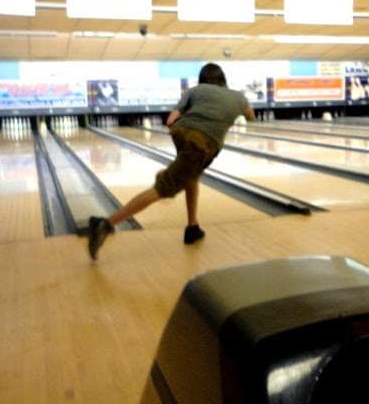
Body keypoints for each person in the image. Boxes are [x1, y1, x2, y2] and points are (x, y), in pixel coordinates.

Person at [87, 62, 255, 260]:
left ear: (202, 79)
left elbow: (170, 120)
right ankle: (105, 224)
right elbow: (251, 117)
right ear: (223, 80)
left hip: (181, 132)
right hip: (202, 143)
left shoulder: (195, 90)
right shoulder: (238, 96)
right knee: (163, 188)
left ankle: (192, 226)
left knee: (191, 176)